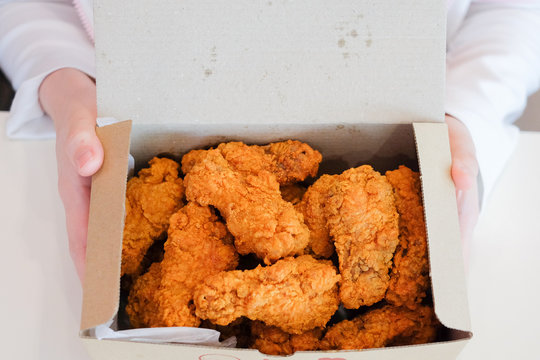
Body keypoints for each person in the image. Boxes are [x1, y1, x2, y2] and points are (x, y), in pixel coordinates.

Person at [1, 0, 539, 281]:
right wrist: (63, 77)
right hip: (134, 93)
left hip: (407, 88)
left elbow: (513, 9)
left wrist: (466, 111)